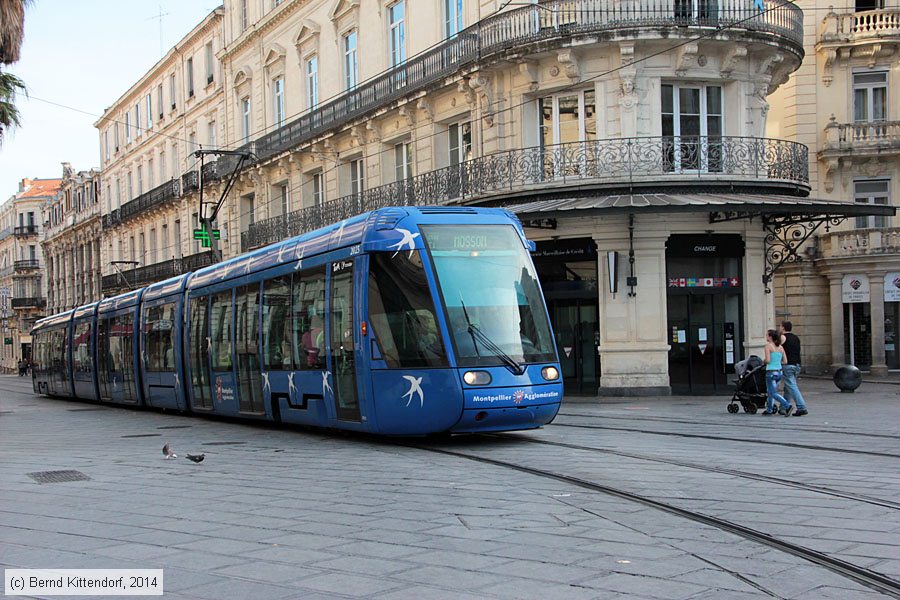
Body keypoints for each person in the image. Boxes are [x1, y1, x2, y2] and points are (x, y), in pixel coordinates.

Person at [780, 321, 808, 417]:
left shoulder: (783, 337)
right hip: (797, 364)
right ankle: (783, 407)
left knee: (792, 386)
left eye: (780, 326)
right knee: (788, 387)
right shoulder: (796, 338)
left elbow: (777, 348)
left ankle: (801, 407)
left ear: (783, 328)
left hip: (788, 364)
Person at [763, 329, 793, 416]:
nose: (766, 337)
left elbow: (768, 360)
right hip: (779, 372)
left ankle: (787, 406)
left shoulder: (768, 346)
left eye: (767, 335)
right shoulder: (780, 347)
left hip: (771, 372)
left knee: (772, 392)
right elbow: (785, 361)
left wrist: (764, 361)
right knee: (771, 391)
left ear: (770, 337)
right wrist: (777, 362)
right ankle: (769, 409)